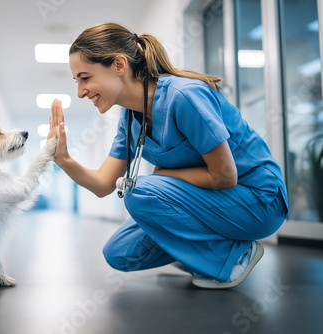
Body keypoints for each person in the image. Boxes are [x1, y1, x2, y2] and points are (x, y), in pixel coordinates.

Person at [47, 22, 288, 289]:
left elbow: (225, 176)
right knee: (119, 252)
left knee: (137, 190)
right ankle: (207, 257)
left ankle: (232, 257)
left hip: (258, 200)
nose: (80, 92)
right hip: (214, 202)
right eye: (77, 81)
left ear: (118, 65)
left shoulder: (184, 96)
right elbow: (104, 184)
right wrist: (64, 160)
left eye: (85, 77)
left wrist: (164, 174)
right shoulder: (129, 117)